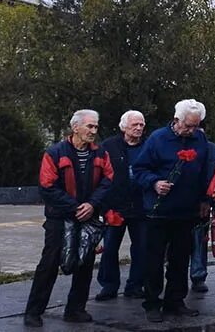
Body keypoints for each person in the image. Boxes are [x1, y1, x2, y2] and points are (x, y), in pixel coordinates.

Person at [24, 110, 114, 327]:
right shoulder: (55, 152)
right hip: (59, 218)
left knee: (85, 262)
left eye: (95, 127)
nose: (94, 131)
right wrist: (75, 207)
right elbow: (47, 186)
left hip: (89, 216)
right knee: (50, 262)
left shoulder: (100, 154)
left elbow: (108, 180)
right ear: (76, 128)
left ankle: (75, 309)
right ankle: (34, 311)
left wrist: (92, 205)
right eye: (90, 126)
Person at [132, 99, 214, 323]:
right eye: (188, 126)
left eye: (196, 125)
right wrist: (154, 182)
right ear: (176, 120)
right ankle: (152, 302)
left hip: (186, 211)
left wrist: (205, 199)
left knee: (180, 259)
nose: (192, 130)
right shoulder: (158, 139)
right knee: (154, 260)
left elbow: (204, 169)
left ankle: (175, 301)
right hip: (158, 212)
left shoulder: (200, 138)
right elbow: (139, 169)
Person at [95, 110, 148, 302]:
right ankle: (109, 286)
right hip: (114, 206)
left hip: (140, 207)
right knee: (109, 248)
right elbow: (99, 175)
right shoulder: (109, 146)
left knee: (142, 247)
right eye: (135, 124)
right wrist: (102, 206)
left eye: (141, 124)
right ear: (124, 126)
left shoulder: (148, 146)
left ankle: (135, 285)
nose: (139, 128)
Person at [190, 130, 215, 294]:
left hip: (203, 202)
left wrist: (210, 201)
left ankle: (198, 275)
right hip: (181, 202)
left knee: (199, 240)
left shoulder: (211, 149)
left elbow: (214, 175)